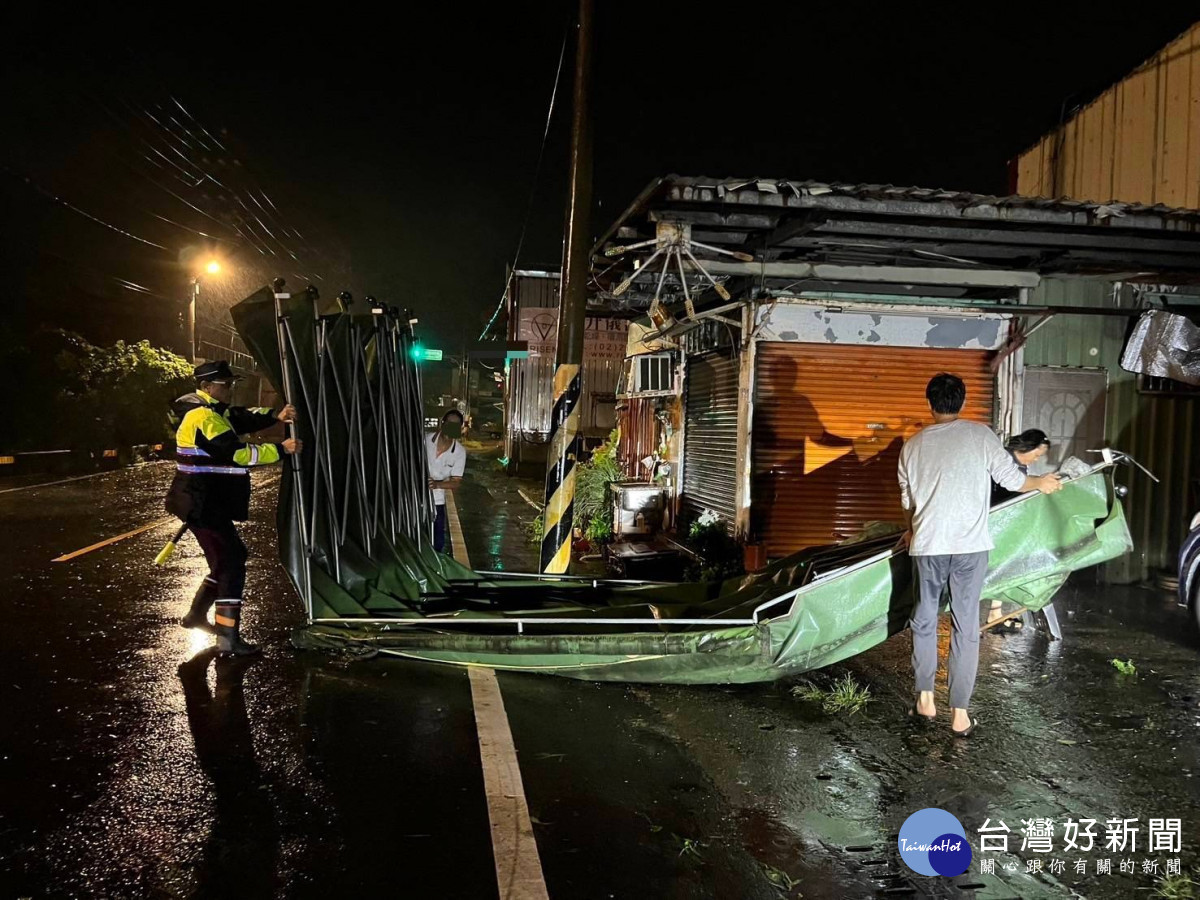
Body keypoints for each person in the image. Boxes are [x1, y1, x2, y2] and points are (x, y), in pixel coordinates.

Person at [898, 374, 1063, 736]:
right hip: (970, 548)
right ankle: (959, 714)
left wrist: (913, 529)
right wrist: (1043, 483)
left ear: (930, 402)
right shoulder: (980, 435)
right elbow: (1013, 480)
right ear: (962, 401)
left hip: (928, 547)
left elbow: (908, 503)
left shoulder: (911, 446)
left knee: (924, 620)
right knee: (965, 625)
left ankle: (925, 699)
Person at [167, 361, 301, 656]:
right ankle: (227, 637)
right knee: (230, 563)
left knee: (231, 557)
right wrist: (282, 449)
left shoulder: (215, 411)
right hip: (203, 503)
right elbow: (238, 453)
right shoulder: (204, 417)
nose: (230, 389)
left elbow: (241, 417)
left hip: (205, 502)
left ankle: (196, 616)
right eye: (225, 385)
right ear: (207, 387)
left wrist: (274, 415)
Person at [988, 429, 1063, 638]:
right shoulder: (1004, 460)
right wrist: (1036, 484)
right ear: (1027, 448)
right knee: (1000, 565)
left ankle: (995, 613)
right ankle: (994, 613)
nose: (1036, 459)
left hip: (1004, 523)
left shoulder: (1020, 465)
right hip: (993, 522)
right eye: (1037, 455)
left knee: (1004, 564)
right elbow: (1010, 487)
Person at [426, 409, 467, 554]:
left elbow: (456, 482)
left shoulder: (459, 452)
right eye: (449, 424)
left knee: (437, 541)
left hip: (437, 501)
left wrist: (437, 485)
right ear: (442, 424)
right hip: (415, 498)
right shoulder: (425, 440)